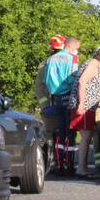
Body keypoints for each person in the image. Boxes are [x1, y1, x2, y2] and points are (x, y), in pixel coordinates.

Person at [70, 45, 100, 179]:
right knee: (85, 137)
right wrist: (82, 104)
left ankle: (82, 168)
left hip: (88, 107)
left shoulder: (92, 64)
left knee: (87, 136)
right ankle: (81, 169)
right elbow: (82, 82)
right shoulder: (93, 65)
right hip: (84, 108)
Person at [45, 36, 81, 175]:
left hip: (55, 98)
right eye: (77, 49)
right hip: (67, 96)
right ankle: (70, 165)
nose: (77, 52)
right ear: (71, 47)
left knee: (59, 132)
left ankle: (59, 165)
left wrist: (54, 92)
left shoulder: (51, 59)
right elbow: (73, 78)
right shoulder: (72, 59)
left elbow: (47, 80)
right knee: (70, 132)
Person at [36, 35, 66, 167]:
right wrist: (46, 104)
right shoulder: (46, 64)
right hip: (54, 103)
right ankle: (53, 162)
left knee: (59, 134)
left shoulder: (49, 62)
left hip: (59, 103)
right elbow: (40, 86)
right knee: (53, 135)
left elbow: (39, 86)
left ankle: (59, 162)